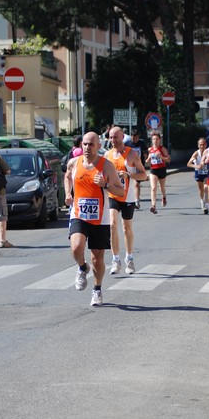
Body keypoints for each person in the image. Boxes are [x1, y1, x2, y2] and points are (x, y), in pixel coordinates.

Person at [64, 131, 124, 306]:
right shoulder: (73, 163)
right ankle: (82, 267)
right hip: (79, 214)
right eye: (84, 144)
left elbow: (120, 191)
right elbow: (68, 177)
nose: (87, 147)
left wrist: (105, 184)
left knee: (97, 259)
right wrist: (68, 193)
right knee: (76, 248)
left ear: (98, 146)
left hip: (101, 218)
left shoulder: (107, 166)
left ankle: (97, 289)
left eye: (91, 144)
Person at [104, 126, 147, 275]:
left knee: (126, 228)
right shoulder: (107, 156)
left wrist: (128, 174)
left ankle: (129, 258)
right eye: (110, 137)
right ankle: (115, 259)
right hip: (112, 195)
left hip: (127, 197)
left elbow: (143, 175)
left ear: (122, 137)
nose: (112, 140)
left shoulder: (132, 154)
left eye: (115, 137)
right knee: (112, 225)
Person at [145, 132, 171, 213]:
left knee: (162, 187)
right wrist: (146, 160)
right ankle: (153, 206)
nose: (155, 141)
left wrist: (161, 157)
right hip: (153, 169)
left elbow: (168, 160)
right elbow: (148, 160)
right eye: (153, 139)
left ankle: (164, 197)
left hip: (161, 169)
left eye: (156, 139)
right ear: (151, 140)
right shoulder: (150, 149)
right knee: (153, 188)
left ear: (159, 140)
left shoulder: (162, 149)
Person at [187, 138, 209, 214]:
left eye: (203, 144)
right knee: (201, 190)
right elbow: (188, 164)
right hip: (199, 173)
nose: (202, 146)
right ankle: (202, 201)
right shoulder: (196, 153)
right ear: (198, 145)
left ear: (206, 145)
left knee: (206, 187)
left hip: (206, 172)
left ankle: (206, 205)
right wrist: (196, 166)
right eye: (200, 145)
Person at [126, 129, 148, 209]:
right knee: (130, 184)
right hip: (130, 166)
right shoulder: (127, 144)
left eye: (135, 138)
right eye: (133, 137)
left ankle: (136, 201)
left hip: (139, 165)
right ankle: (130, 199)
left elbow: (146, 152)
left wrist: (145, 159)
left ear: (138, 137)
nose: (134, 139)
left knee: (136, 184)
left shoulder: (142, 143)